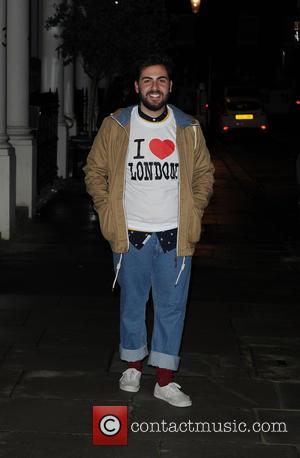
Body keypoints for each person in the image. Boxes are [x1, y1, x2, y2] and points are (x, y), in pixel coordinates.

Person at [84, 54, 214, 407]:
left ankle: (165, 380)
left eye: (160, 80)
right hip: (131, 235)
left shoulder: (188, 127)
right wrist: (107, 208)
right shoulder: (117, 125)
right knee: (132, 303)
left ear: (170, 87)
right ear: (137, 86)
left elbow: (204, 174)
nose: (154, 86)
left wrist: (196, 207)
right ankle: (133, 366)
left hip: (175, 235)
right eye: (147, 80)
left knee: (172, 308)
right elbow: (94, 171)